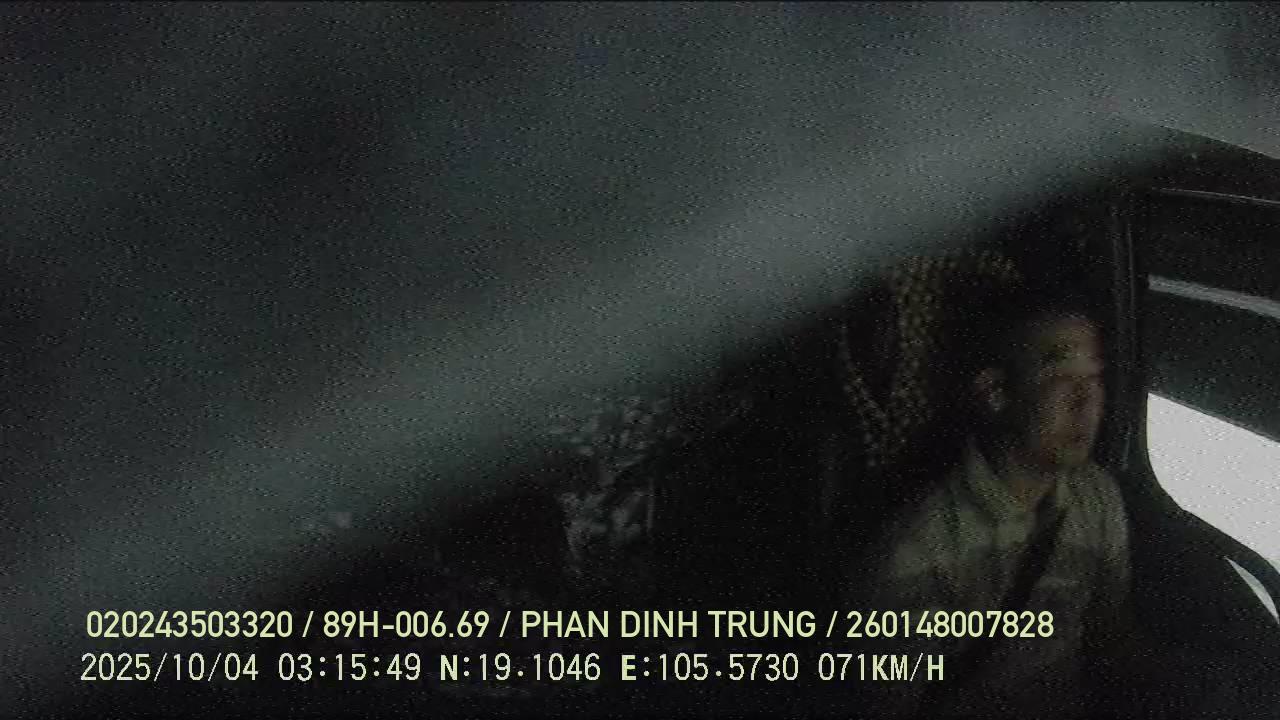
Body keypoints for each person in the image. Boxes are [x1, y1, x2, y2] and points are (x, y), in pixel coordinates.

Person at [842, 285, 1132, 718]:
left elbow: (1108, 634)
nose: (1087, 401)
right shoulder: (918, 551)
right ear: (996, 392)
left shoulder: (1097, 496)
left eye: (1094, 377)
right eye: (1061, 375)